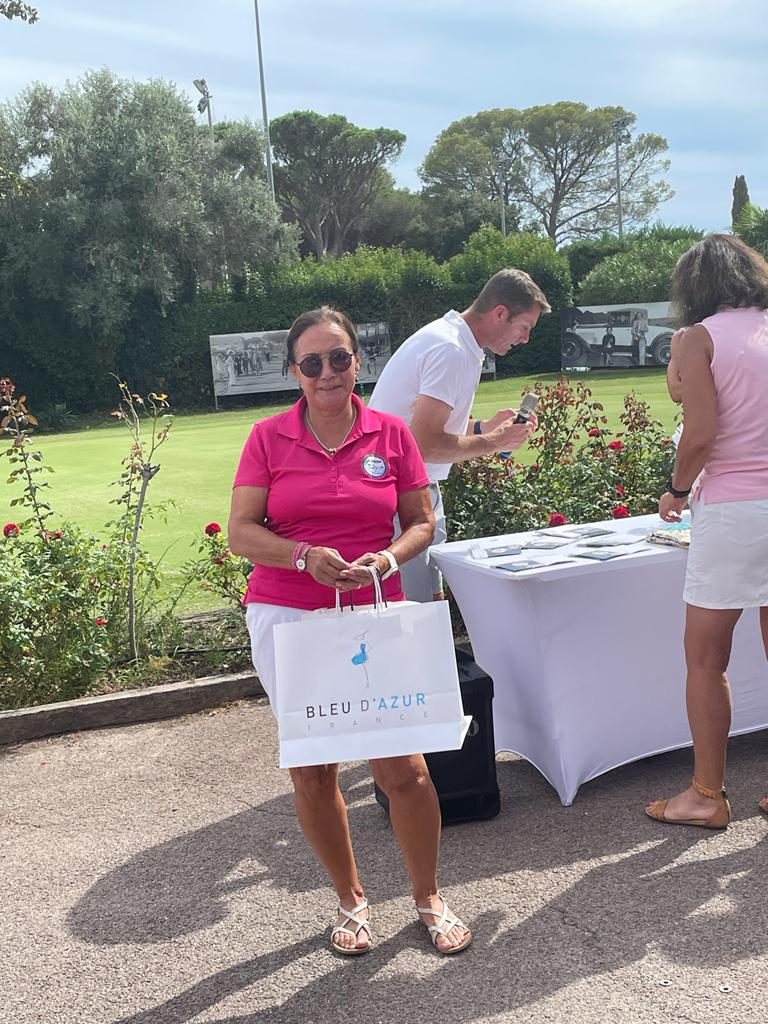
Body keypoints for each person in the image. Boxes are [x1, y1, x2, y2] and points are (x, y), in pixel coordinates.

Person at [228, 306, 473, 956]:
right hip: (288, 615)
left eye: (339, 357)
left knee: (405, 771)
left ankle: (428, 896)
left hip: (374, 614)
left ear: (357, 361)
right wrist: (303, 555)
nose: (328, 372)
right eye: (312, 362)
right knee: (313, 772)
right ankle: (351, 899)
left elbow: (421, 521)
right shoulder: (267, 437)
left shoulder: (391, 434)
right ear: (295, 372)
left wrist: (387, 559)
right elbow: (242, 533)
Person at [645, 234, 768, 829]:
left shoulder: (699, 337)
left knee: (706, 658)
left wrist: (675, 488)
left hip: (734, 509)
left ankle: (706, 794)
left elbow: (698, 432)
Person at [369, 268, 550, 601]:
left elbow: (421, 429)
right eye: (525, 327)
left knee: (427, 607)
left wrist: (483, 428)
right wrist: (496, 441)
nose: (526, 339)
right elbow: (424, 445)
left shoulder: (452, 340)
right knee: (419, 614)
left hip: (404, 492)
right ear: (500, 313)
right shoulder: (451, 349)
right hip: (399, 497)